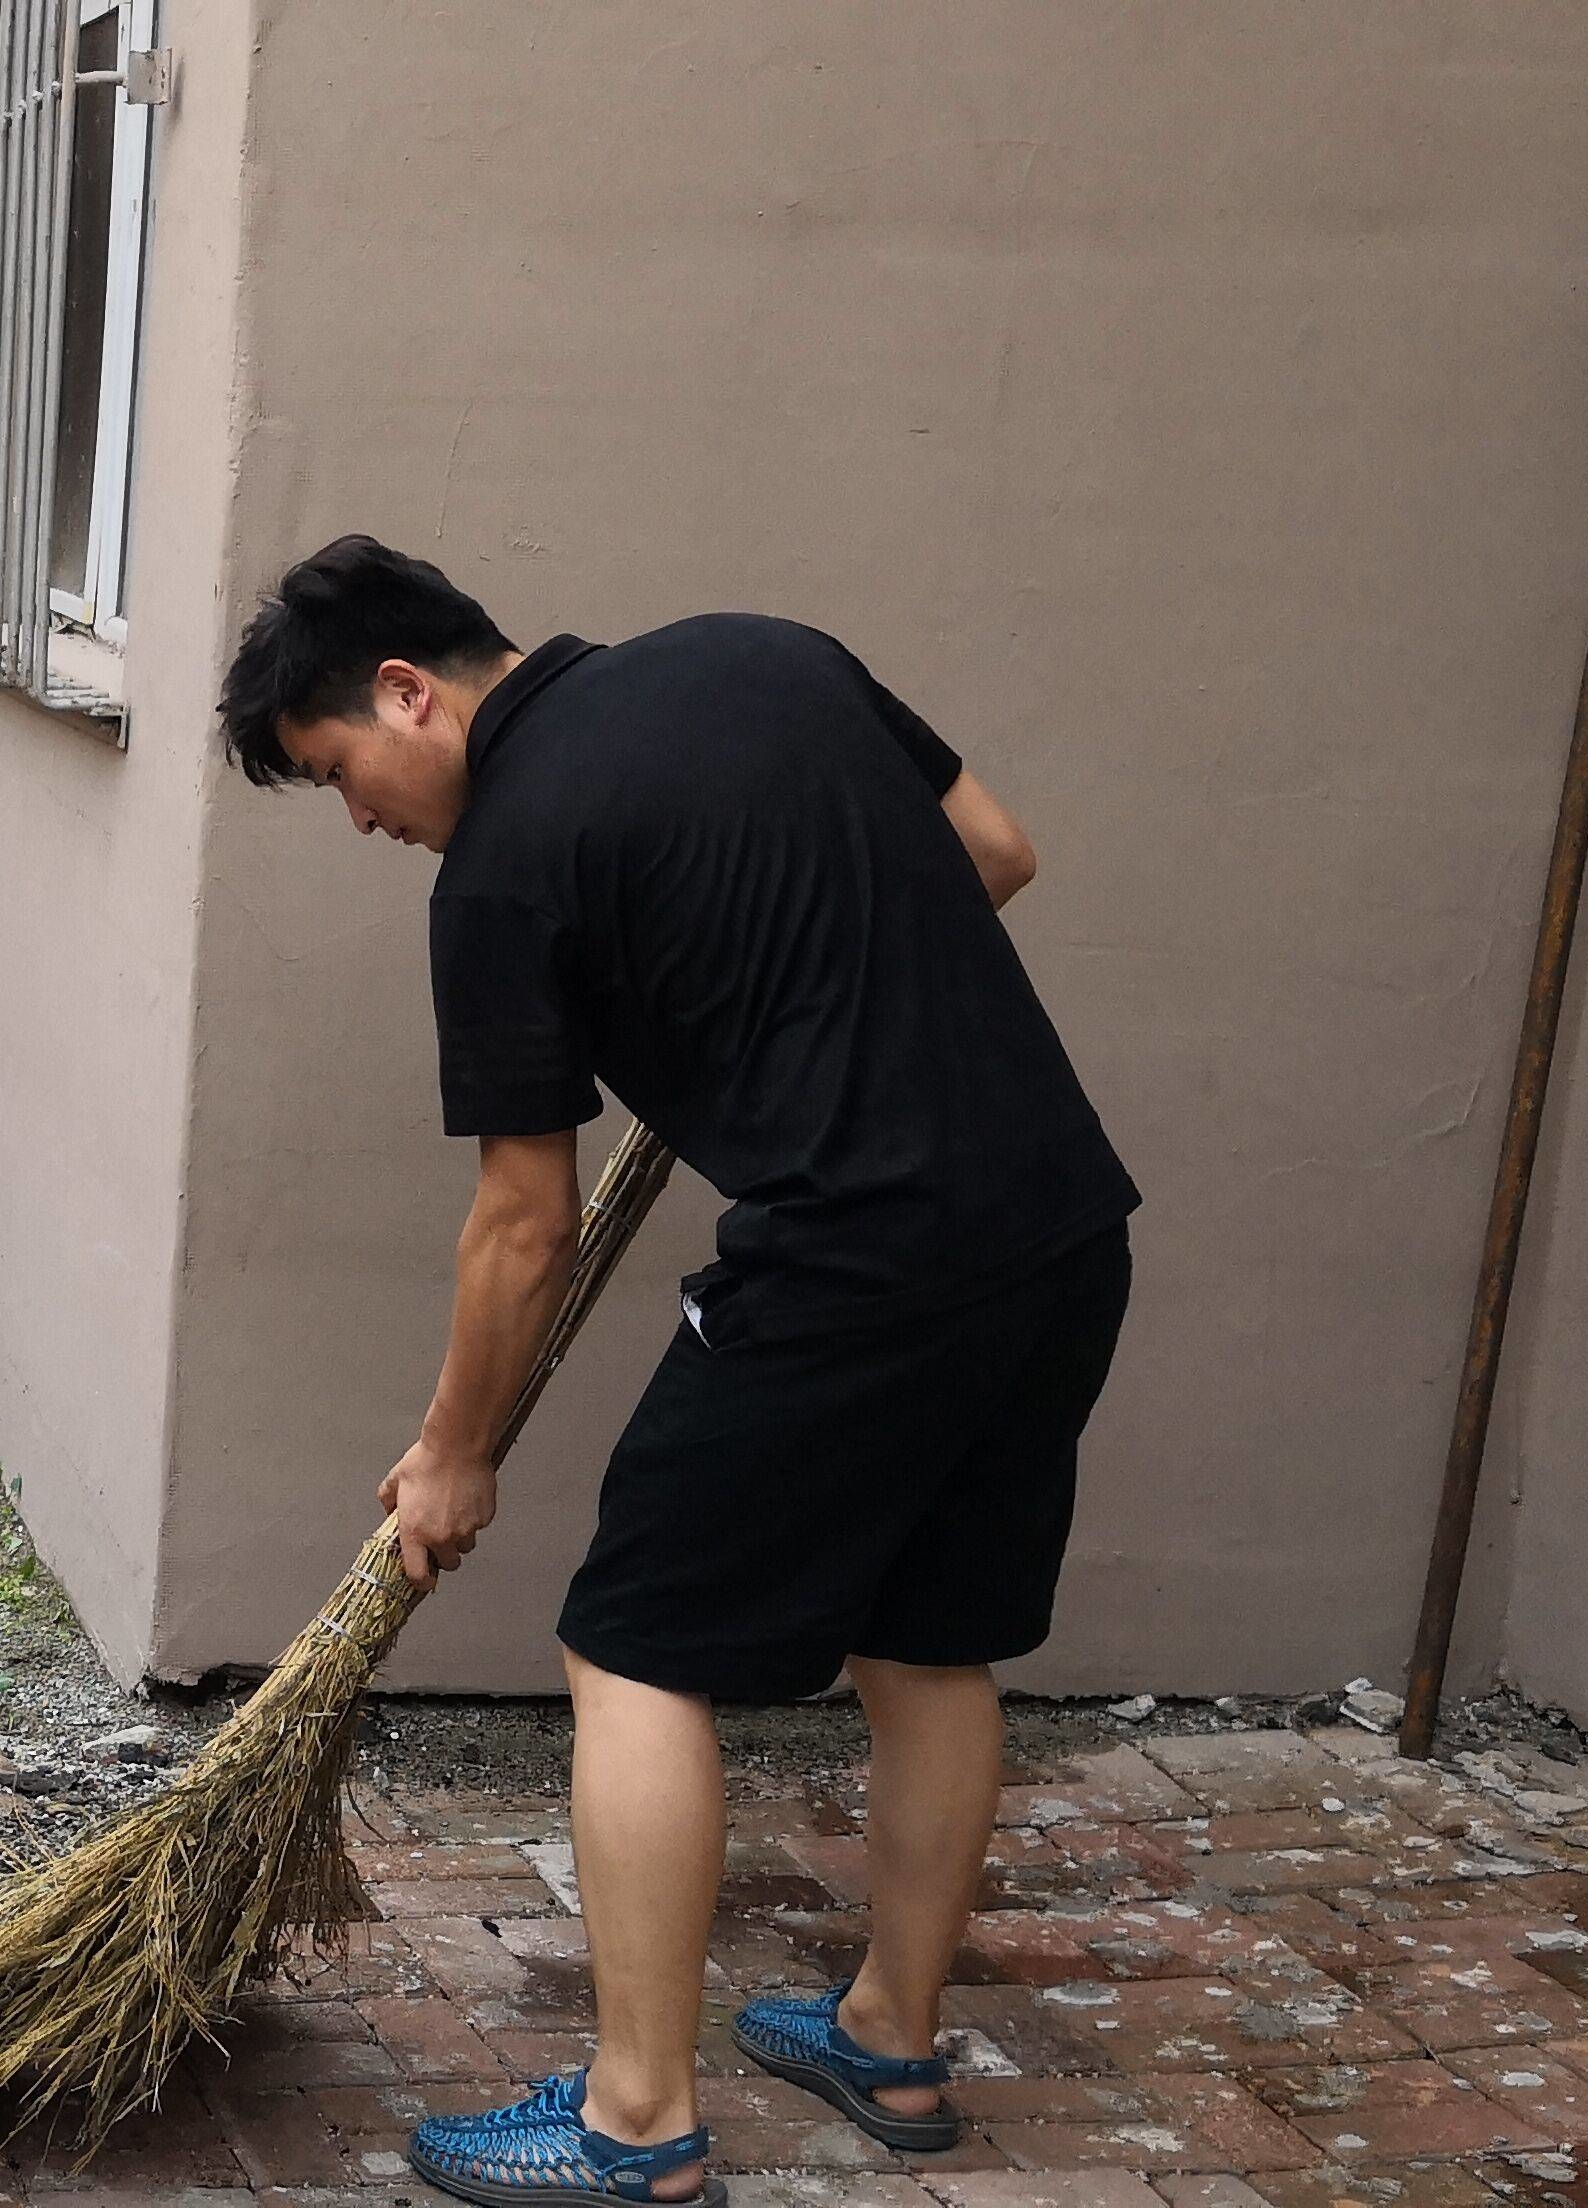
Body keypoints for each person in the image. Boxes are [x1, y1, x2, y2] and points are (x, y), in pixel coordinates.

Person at [217, 537, 1138, 2208]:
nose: (359, 819)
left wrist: (450, 1450)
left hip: (853, 1260)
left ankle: (635, 2122)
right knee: (926, 1638)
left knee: (629, 1642)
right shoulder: (767, 649)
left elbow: (519, 1224)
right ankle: (890, 2032)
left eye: (340, 772)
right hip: (1059, 1227)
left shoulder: (502, 868)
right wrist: (785, 1003)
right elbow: (992, 853)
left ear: (407, 693)